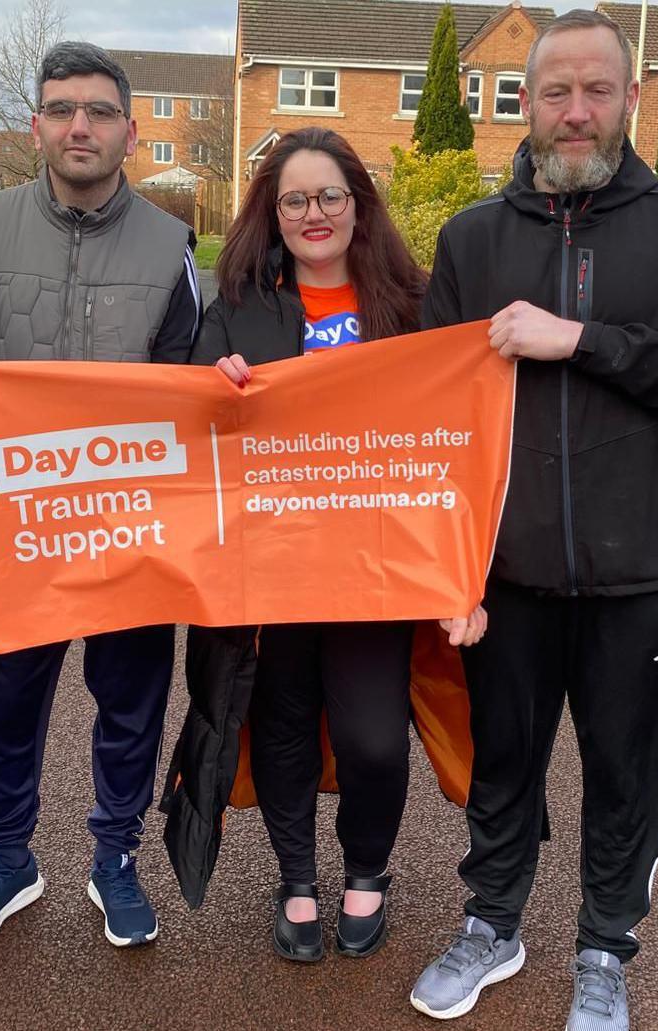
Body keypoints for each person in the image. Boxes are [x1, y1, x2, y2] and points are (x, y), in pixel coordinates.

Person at [407, 10, 658, 1031]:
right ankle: (492, 926)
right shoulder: (473, 239)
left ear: (629, 100)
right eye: (553, 92)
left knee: (625, 771)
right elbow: (427, 414)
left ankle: (605, 949)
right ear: (522, 104)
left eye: (594, 91)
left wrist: (582, 342)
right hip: (507, 580)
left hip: (639, 575)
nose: (574, 111)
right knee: (503, 763)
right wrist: (450, 563)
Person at [159, 127, 487, 963]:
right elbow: (194, 428)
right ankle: (297, 877)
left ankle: (367, 872)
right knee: (284, 728)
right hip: (272, 571)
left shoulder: (413, 305)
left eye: (329, 196)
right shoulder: (236, 304)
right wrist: (216, 389)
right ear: (272, 212)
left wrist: (461, 567)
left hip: (377, 571)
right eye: (295, 199)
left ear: (358, 204)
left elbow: (457, 429)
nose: (314, 214)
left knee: (376, 736)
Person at [0, 41, 200, 950]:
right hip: (18, 527)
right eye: (60, 109)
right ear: (35, 124)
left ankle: (113, 856)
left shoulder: (172, 244)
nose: (78, 125)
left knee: (131, 703)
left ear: (130, 130)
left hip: (130, 526)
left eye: (97, 111)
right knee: (9, 701)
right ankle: (9, 856)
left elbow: (194, 385)